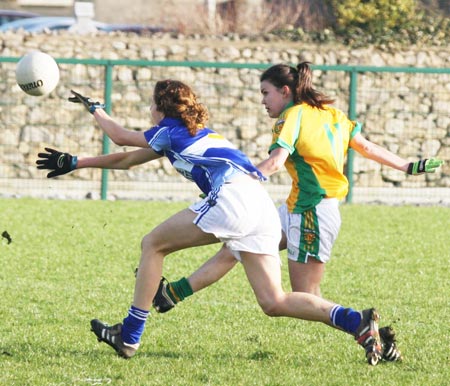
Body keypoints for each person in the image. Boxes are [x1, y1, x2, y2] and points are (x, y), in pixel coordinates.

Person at [36, 80, 393, 365]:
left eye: (151, 105)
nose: (149, 110)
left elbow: (120, 137)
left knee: (152, 244)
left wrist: (96, 109)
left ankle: (129, 335)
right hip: (260, 206)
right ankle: (355, 321)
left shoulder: (170, 130)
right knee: (274, 301)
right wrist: (76, 162)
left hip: (233, 198)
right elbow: (128, 158)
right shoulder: (189, 132)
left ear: (162, 108)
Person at [149, 64, 443, 360]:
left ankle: (364, 327)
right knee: (237, 245)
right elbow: (365, 147)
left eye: (266, 93)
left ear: (285, 91)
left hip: (312, 211)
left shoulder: (292, 116)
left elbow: (276, 162)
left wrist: (238, 183)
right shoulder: (333, 114)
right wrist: (406, 165)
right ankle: (172, 294)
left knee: (303, 296)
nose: (263, 100)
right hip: (294, 207)